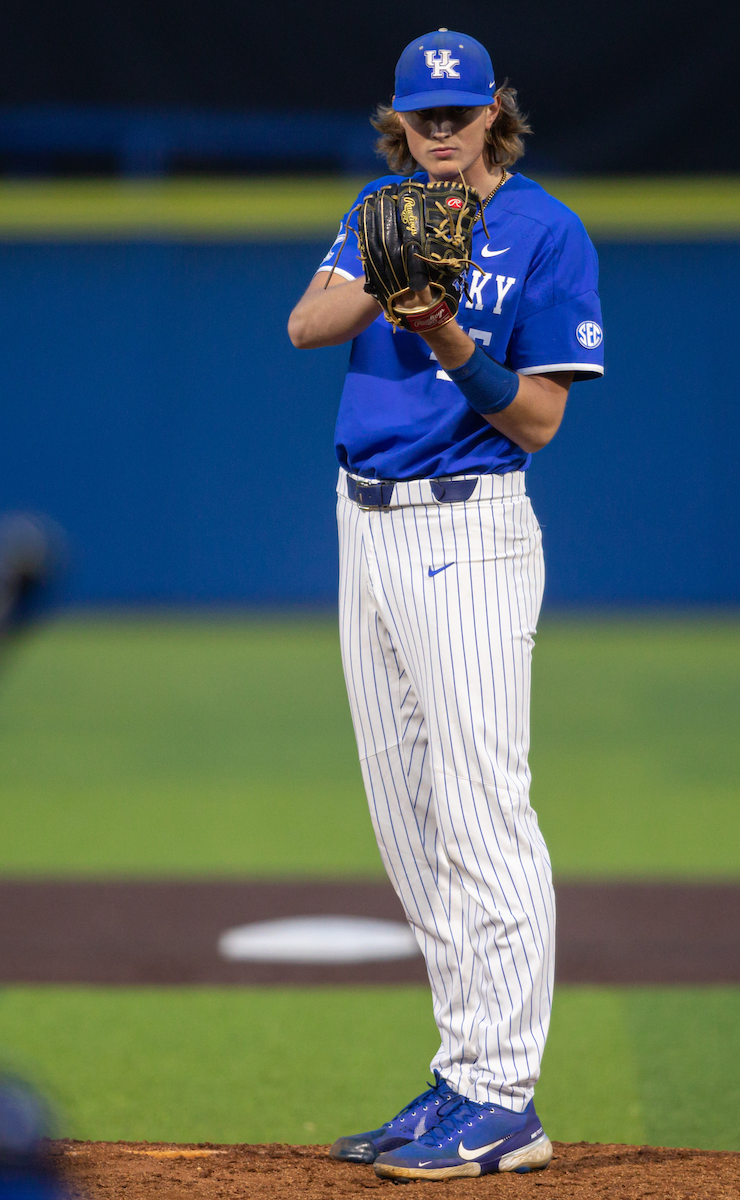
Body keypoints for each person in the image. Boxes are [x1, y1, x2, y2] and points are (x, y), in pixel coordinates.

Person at [288, 28, 603, 1182]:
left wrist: (448, 336)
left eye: (458, 113)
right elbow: (304, 326)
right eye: (422, 115)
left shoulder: (544, 231)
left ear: (492, 117)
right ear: (398, 120)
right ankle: (462, 1072)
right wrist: (386, 274)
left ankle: (506, 1099)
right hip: (358, 521)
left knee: (480, 813)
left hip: (466, 525)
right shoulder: (379, 206)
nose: (440, 131)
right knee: (407, 818)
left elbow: (537, 420)